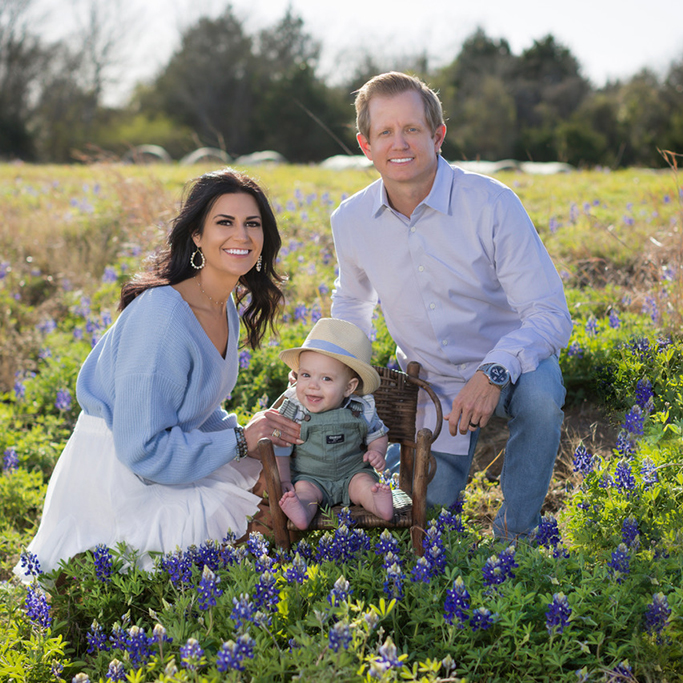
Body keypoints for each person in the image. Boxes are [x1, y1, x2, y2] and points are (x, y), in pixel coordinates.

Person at [15, 168, 303, 580]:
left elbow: (191, 411)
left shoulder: (221, 304)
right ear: (197, 236)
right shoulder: (162, 316)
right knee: (229, 504)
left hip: (162, 454)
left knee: (264, 471)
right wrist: (240, 439)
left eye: (251, 224)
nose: (241, 235)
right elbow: (142, 448)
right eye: (225, 222)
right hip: (118, 477)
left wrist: (250, 436)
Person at [330, 72, 572, 541]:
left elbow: (549, 314)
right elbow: (353, 304)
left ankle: (516, 536)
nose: (399, 143)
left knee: (542, 398)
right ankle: (445, 481)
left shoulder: (492, 204)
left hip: (509, 370)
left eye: (412, 129)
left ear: (438, 136)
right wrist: (332, 372)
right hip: (429, 386)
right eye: (385, 132)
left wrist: (493, 371)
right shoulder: (351, 219)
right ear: (365, 145)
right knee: (423, 511)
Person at [272, 318, 392, 530]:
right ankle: (301, 512)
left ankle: (378, 504)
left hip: (353, 472)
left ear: (349, 387)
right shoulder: (294, 407)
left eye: (326, 379)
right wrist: (283, 479)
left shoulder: (362, 407)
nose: (312, 386)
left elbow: (378, 434)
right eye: (306, 375)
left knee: (365, 485)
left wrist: (377, 452)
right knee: (304, 493)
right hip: (311, 477)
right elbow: (280, 444)